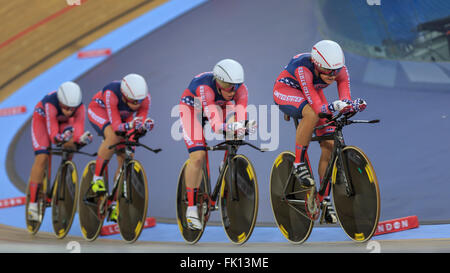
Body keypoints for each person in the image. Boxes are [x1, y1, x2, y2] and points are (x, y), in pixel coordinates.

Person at [273, 40, 367, 223]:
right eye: (327, 71)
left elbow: (345, 99)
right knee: (311, 114)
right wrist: (333, 107)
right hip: (287, 91)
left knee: (330, 144)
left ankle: (322, 200)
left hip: (311, 93)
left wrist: (352, 106)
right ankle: (298, 164)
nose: (332, 76)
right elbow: (317, 106)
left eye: (336, 71)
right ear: (316, 65)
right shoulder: (303, 68)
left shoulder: (340, 70)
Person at [179, 59, 256, 230]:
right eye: (228, 85)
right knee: (198, 156)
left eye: (236, 85)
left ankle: (225, 163)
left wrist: (243, 126)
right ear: (218, 82)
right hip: (192, 110)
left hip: (218, 106)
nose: (232, 90)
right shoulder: (204, 88)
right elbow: (215, 124)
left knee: (237, 127)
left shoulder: (241, 90)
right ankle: (191, 209)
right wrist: (228, 126)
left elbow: (240, 114)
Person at [87, 73, 154, 222]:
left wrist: (140, 129)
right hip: (100, 111)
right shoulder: (111, 92)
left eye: (139, 101)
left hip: (124, 117)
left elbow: (137, 125)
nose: (137, 104)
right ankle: (97, 178)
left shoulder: (145, 98)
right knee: (113, 137)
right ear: (124, 95)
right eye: (133, 101)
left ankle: (114, 203)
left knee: (126, 155)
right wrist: (130, 125)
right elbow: (117, 126)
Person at [28, 81, 93, 221]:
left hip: (63, 123)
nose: (70, 111)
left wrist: (80, 140)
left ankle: (63, 174)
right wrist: (61, 138)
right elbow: (53, 136)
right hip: (43, 121)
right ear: (60, 102)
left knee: (70, 145)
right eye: (66, 108)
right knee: (42, 157)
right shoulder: (50, 104)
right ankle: (32, 204)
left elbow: (78, 130)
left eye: (72, 109)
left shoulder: (80, 108)